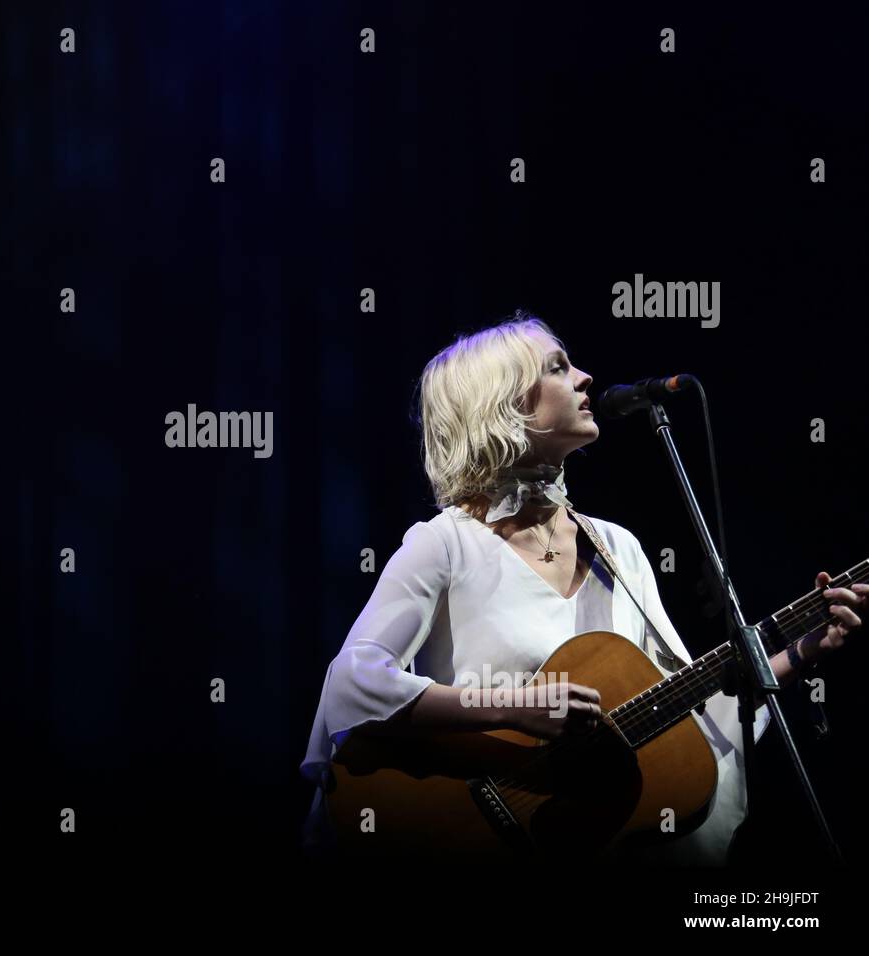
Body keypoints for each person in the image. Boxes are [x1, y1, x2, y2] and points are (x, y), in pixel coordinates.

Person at [299, 310, 864, 864]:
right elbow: (353, 684)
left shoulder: (618, 549)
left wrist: (797, 652)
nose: (585, 377)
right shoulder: (446, 543)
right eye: (558, 366)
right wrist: (515, 708)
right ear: (503, 404)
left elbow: (685, 711)